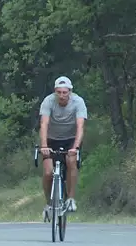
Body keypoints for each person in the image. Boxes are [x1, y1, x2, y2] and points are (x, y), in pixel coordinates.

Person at [38, 76, 87, 222]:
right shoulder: (48, 101)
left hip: (70, 139)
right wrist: (44, 145)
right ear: (55, 92)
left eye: (65, 92)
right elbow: (44, 125)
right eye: (59, 92)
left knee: (71, 161)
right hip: (51, 139)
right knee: (48, 172)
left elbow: (80, 127)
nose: (62, 96)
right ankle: (48, 204)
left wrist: (76, 147)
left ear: (70, 92)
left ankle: (71, 198)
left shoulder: (78, 102)